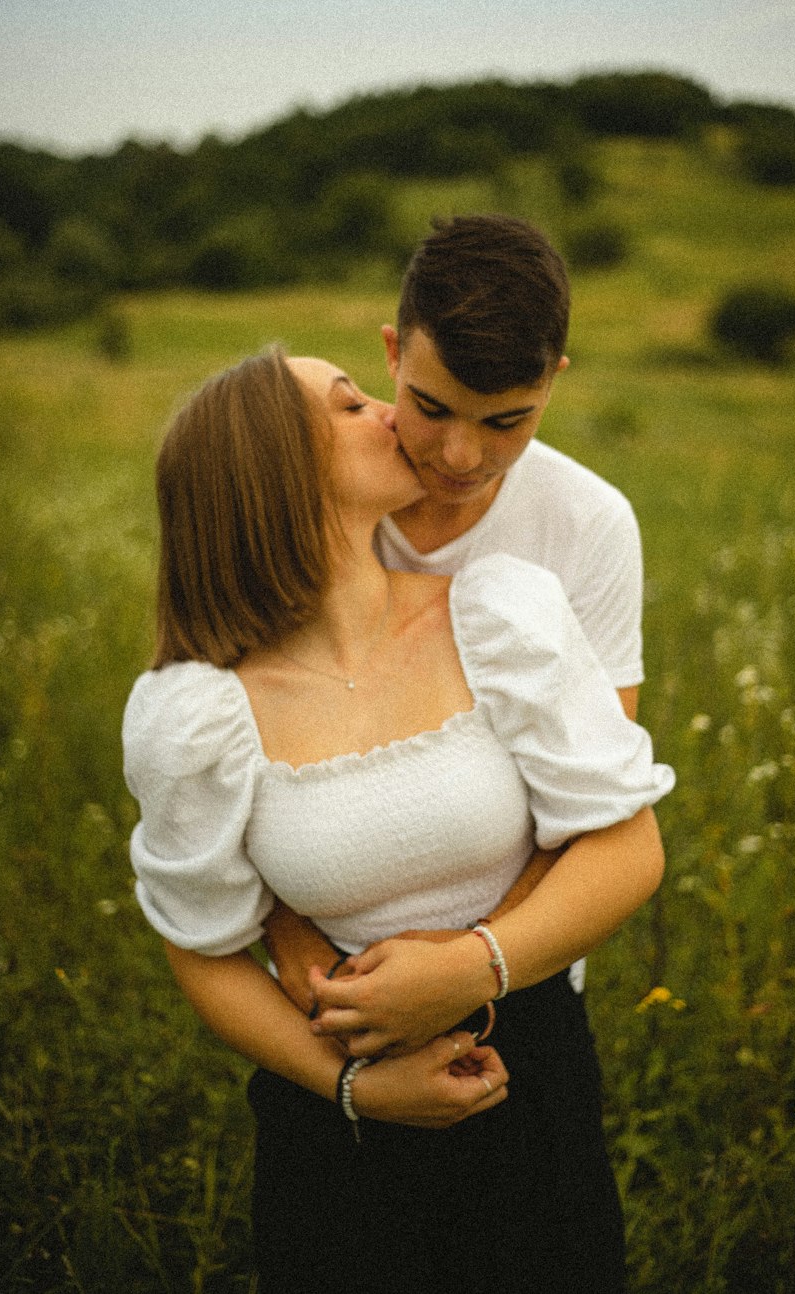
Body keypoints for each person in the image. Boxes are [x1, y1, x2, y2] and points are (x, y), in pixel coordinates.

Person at [122, 346, 674, 1292]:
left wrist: (468, 966)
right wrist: (354, 1087)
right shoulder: (197, 715)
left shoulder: (500, 614)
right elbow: (203, 950)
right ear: (271, 475)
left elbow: (628, 844)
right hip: (329, 1112)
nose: (390, 415)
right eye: (349, 406)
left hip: (524, 1071)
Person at [262, 213, 645, 1009]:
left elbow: (592, 808)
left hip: (524, 978)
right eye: (431, 409)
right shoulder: (320, 493)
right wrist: (310, 967)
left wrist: (469, 966)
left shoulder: (590, 524)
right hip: (328, 1001)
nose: (460, 458)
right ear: (392, 353)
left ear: (553, 380)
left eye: (507, 421)